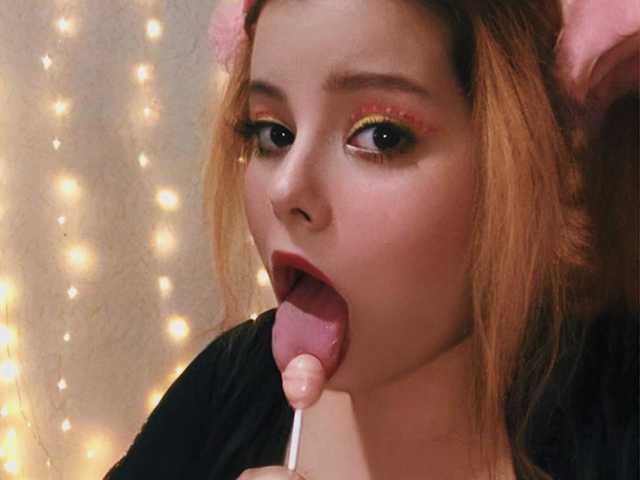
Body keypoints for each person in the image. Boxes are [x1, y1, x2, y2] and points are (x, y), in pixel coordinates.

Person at [103, 0, 639, 479]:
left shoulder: (616, 408)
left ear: (528, 163)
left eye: (381, 136)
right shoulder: (227, 386)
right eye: (273, 133)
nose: (285, 188)